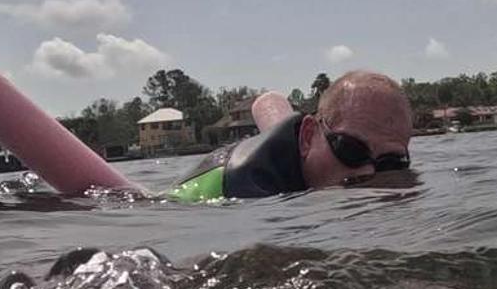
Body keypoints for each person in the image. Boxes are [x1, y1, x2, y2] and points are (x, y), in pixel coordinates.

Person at [169, 70, 414, 201]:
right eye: (351, 150)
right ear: (307, 137)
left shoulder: (305, 135)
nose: (368, 174)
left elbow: (267, 102)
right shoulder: (249, 188)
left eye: (391, 163)